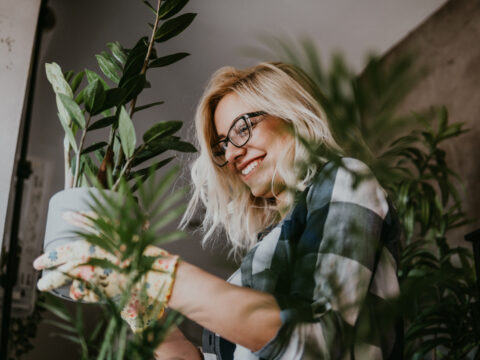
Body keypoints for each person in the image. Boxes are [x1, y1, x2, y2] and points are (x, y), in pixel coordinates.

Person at [34, 62, 403, 359]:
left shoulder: (344, 178)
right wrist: (137, 303)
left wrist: (149, 271)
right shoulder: (264, 252)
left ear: (293, 114)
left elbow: (318, 344)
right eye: (222, 145)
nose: (231, 153)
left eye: (243, 128)